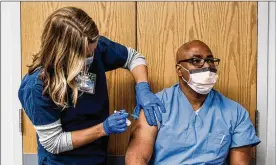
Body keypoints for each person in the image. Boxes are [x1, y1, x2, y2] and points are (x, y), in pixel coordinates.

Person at [18, 7, 165, 165]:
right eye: (87, 55)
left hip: (97, 158)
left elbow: (133, 57)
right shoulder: (38, 86)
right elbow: (54, 142)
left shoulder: (93, 47)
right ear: (65, 54)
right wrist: (103, 128)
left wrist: (142, 88)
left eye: (93, 51)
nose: (92, 58)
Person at [125, 40, 261, 165]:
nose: (207, 66)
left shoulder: (235, 113)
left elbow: (240, 163)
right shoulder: (156, 105)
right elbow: (136, 157)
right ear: (179, 70)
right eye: (196, 60)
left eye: (210, 60)